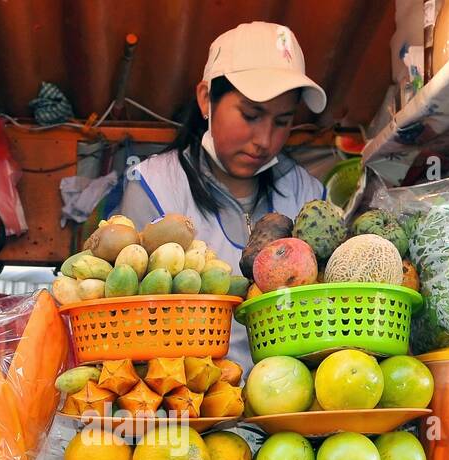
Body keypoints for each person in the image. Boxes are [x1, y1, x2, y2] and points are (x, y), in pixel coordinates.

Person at [118, 21, 328, 366]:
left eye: (282, 121)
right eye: (250, 114)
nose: (264, 139)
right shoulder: (154, 186)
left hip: (288, 407)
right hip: (192, 405)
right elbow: (133, 319)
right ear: (206, 99)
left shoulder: (307, 193)